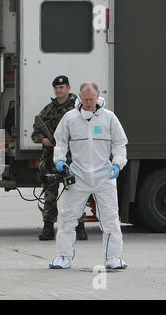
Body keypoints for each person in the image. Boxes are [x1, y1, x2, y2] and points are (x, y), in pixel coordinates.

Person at [49, 82, 128, 269]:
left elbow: (119, 144)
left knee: (110, 219)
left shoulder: (109, 118)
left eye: (91, 99)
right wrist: (59, 160)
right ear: (79, 97)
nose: (89, 103)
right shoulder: (70, 118)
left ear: (98, 96)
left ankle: (113, 258)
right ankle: (63, 256)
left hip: (105, 176)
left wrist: (117, 164)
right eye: (85, 100)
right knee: (68, 218)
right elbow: (60, 142)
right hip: (78, 176)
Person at [31, 75, 87, 241]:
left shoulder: (79, 107)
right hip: (51, 159)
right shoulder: (48, 110)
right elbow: (36, 131)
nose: (59, 90)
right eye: (56, 88)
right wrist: (43, 140)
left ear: (68, 88)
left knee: (77, 193)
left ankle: (80, 227)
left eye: (62, 87)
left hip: (74, 158)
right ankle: (48, 227)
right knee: (50, 194)